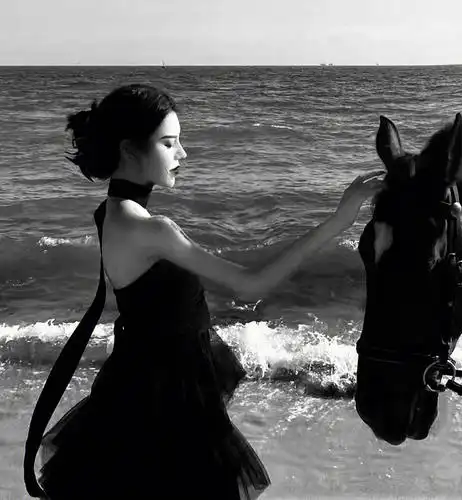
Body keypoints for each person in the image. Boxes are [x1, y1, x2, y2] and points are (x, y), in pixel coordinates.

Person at [24, 84, 383, 499]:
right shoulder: (153, 230)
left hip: (135, 385)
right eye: (168, 143)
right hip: (168, 402)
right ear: (129, 149)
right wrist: (340, 221)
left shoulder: (110, 213)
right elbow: (251, 285)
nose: (183, 154)